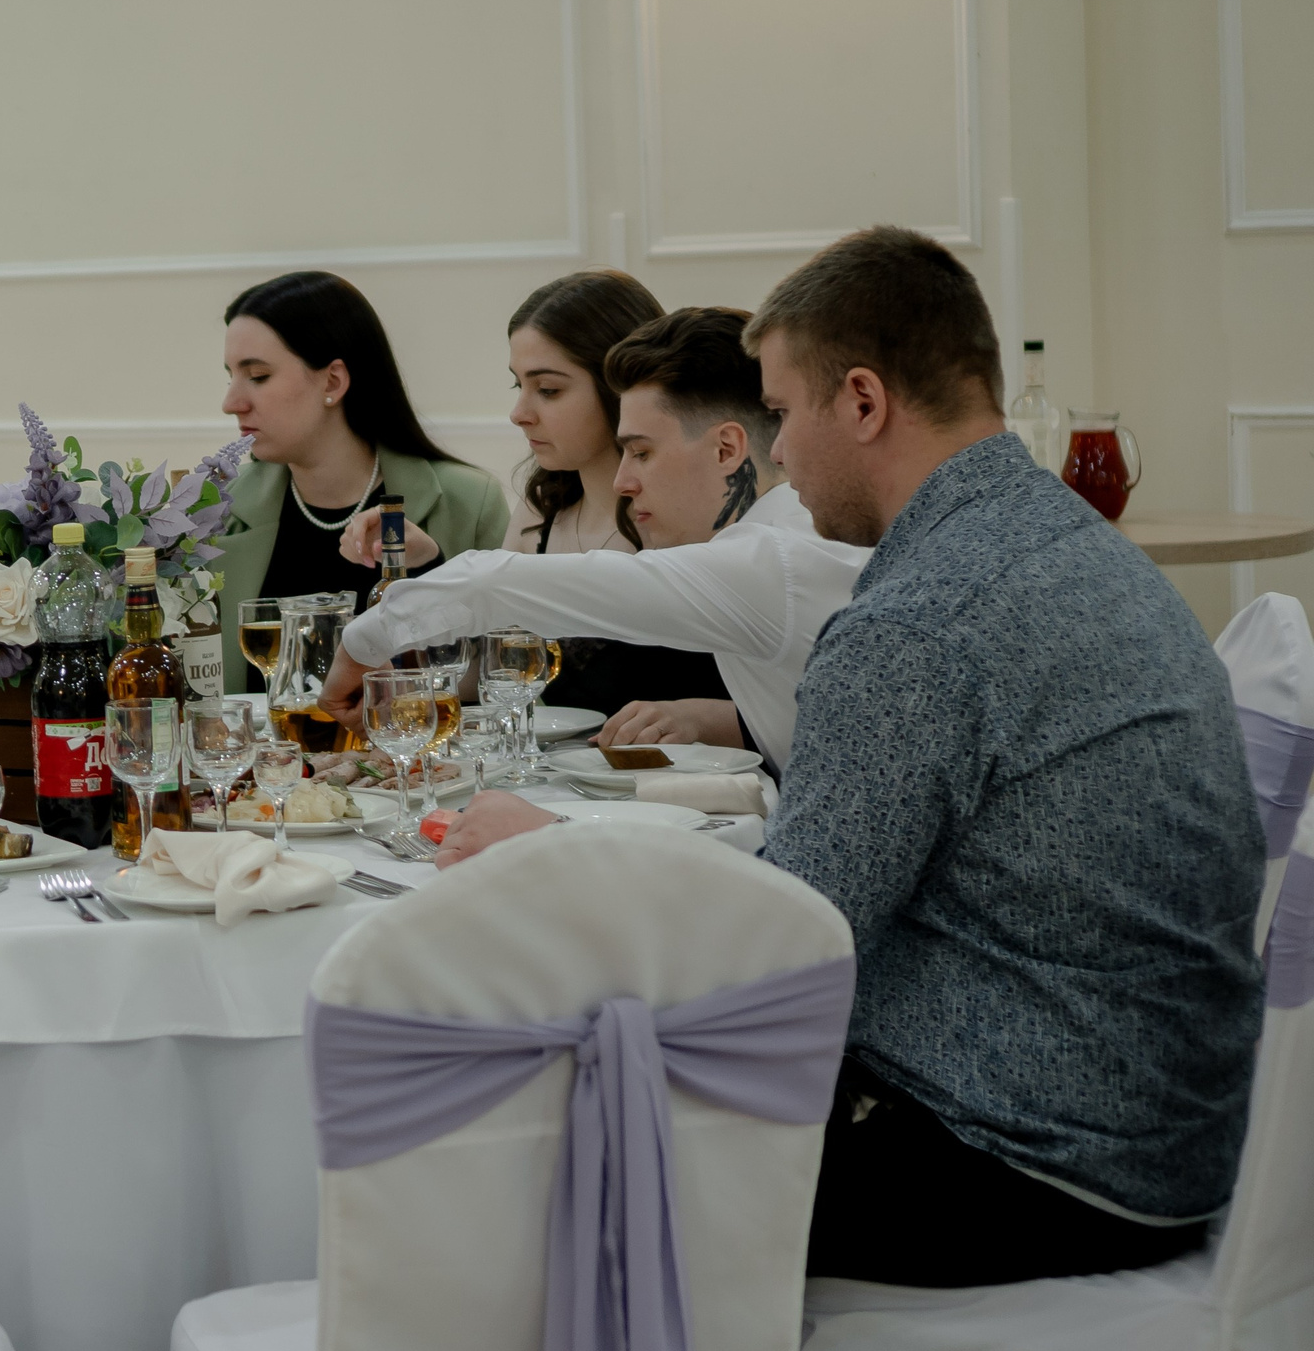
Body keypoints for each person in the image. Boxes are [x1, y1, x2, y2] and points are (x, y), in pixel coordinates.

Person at [427, 227, 1265, 1286]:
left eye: (779, 414)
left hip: (1032, 1159)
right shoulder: (1065, 541)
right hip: (1162, 1120)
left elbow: (782, 940)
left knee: (540, 1154)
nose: (774, 452)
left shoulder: (917, 622)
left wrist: (555, 852)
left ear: (862, 403)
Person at [332, 308, 869, 772]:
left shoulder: (766, 560)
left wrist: (361, 645)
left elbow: (494, 586)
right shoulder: (789, 538)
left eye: (641, 452)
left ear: (727, 449)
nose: (623, 481)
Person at [211, 272, 508, 692]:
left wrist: (432, 570)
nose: (231, 403)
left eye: (257, 376)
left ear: (332, 381)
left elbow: (506, 678)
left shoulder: (467, 502)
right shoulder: (217, 517)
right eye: (231, 376)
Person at [478, 271, 733, 721]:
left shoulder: (694, 511)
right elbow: (488, 671)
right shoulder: (543, 509)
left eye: (549, 390)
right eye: (520, 386)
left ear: (619, 385)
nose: (520, 414)